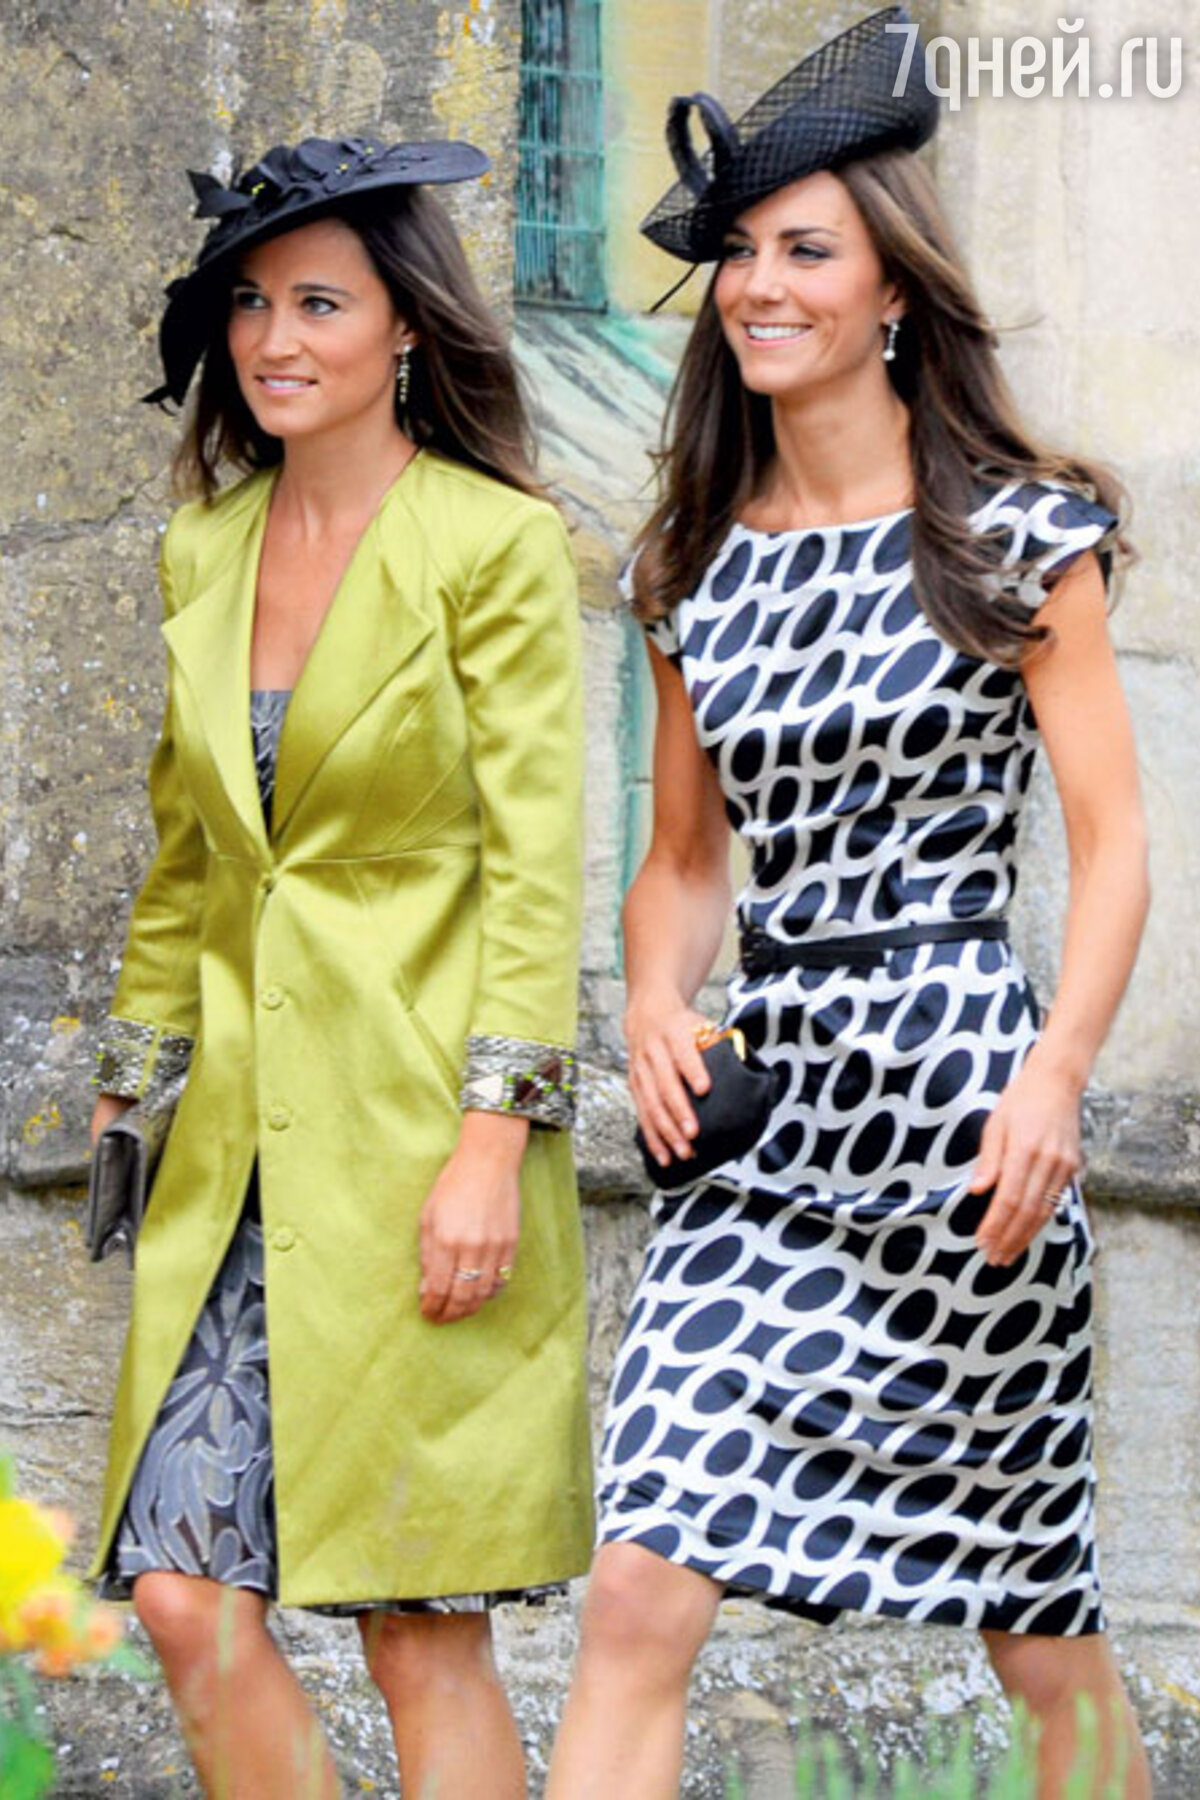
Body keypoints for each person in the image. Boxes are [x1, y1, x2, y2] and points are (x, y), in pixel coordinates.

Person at [547, 12, 1151, 1799]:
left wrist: (1057, 1080)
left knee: (1039, 1632)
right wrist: (652, 1005)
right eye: (739, 253)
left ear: (894, 285)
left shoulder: (1023, 536)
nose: (759, 286)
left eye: (805, 250)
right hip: (764, 1131)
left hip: (967, 1124)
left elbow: (1115, 844)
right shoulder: (690, 565)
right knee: (637, 1587)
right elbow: (683, 865)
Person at [87, 133, 591, 1800]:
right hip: (237, 1153)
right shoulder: (204, 548)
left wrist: (494, 1145)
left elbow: (534, 872)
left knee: (416, 1629)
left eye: (319, 302)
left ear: (406, 327)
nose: (274, 338)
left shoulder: (494, 543)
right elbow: (189, 852)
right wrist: (132, 1083)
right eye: (249, 302)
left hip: (419, 1141)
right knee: (183, 1599)